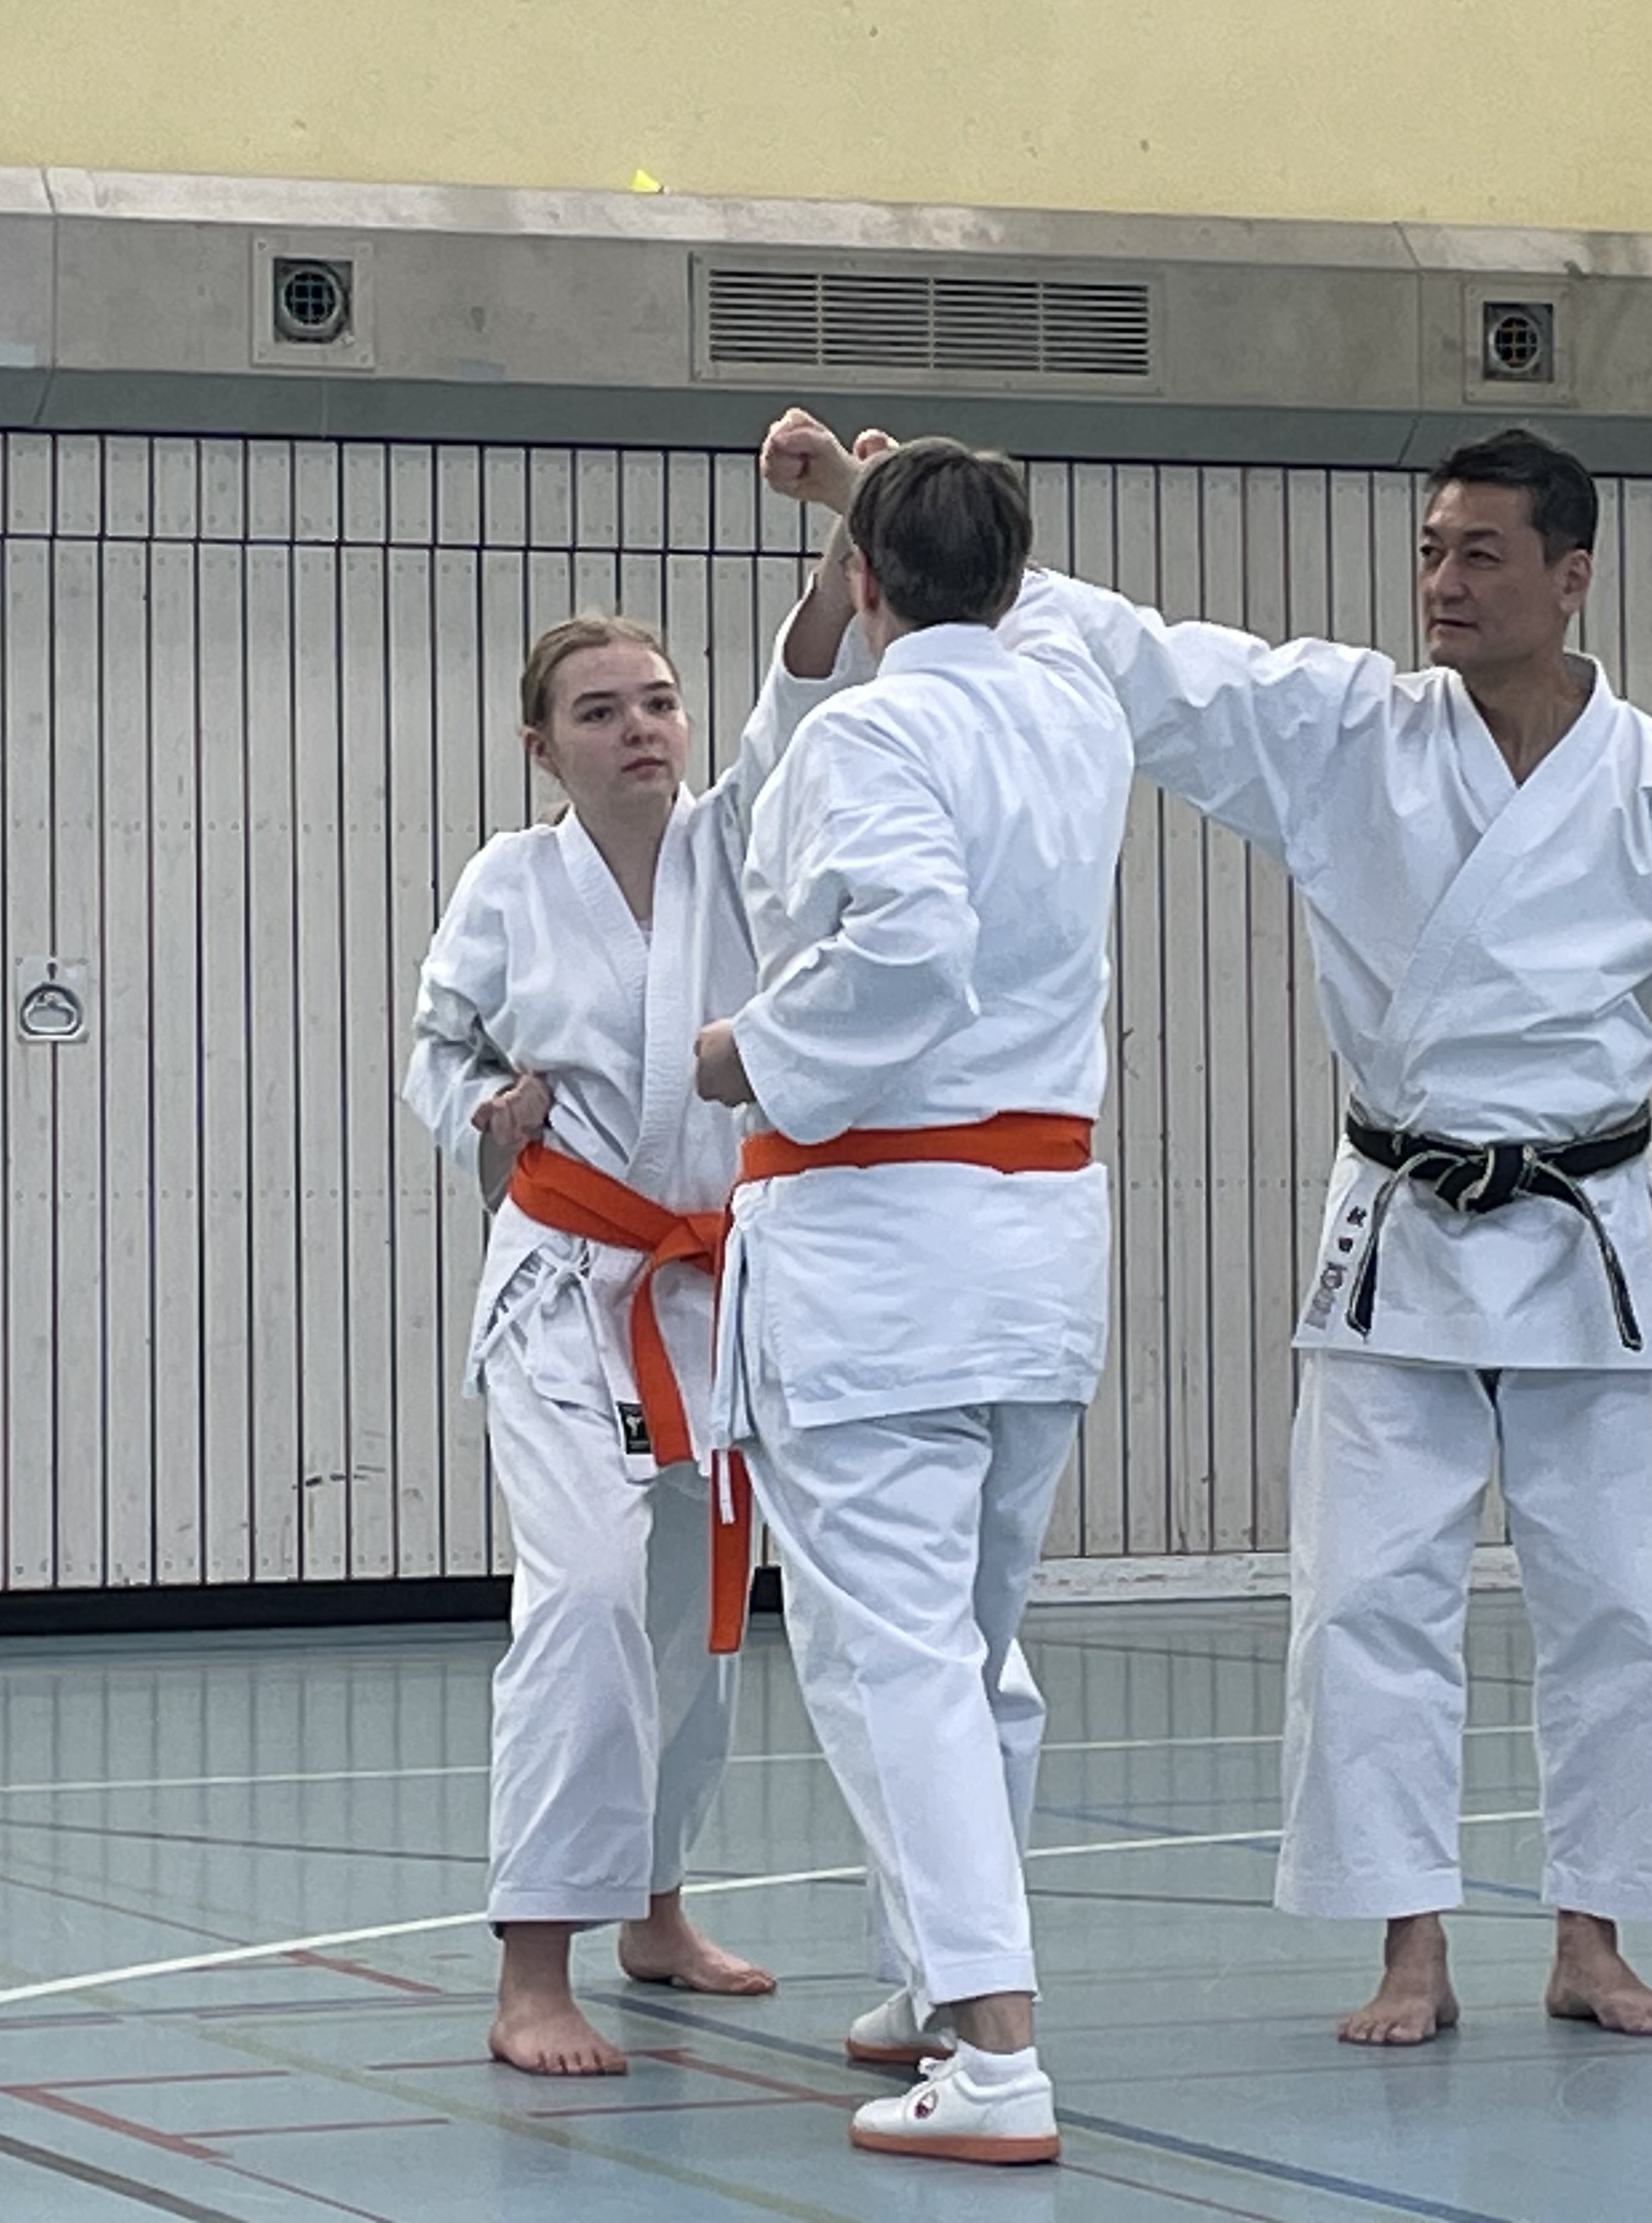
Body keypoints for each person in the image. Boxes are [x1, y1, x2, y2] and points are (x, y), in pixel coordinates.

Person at [772, 414, 1652, 2047]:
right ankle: (1409, 1942)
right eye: (1430, 551)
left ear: (1572, 576)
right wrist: (878, 507)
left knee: (1624, 1597)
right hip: (1402, 1225)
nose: (1444, 582)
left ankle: (1593, 1936)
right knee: (1366, 1597)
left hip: (1589, 1230)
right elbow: (1129, 651)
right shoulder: (1346, 730)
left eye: (1482, 554)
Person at [702, 428, 1133, 2163]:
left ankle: (997, 2052)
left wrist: (751, 1050)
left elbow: (905, 943)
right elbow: (1000, 606)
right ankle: (933, 1980)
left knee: (903, 1667)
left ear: (866, 583)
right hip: (1036, 1254)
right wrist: (867, 503)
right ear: (1015, 579)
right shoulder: (1078, 710)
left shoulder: (871, 733)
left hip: (883, 1254)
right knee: (968, 1650)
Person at [402, 525, 857, 2076]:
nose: (639, 729)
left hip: (710, 1291)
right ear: (543, 746)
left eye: (657, 701)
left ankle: (657, 1906)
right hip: (564, 1285)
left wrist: (843, 554)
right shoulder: (509, 881)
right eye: (599, 711)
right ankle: (533, 1965)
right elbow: (438, 1048)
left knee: (691, 1623)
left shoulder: (737, 840)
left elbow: (801, 695)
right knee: (585, 1599)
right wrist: (479, 1113)